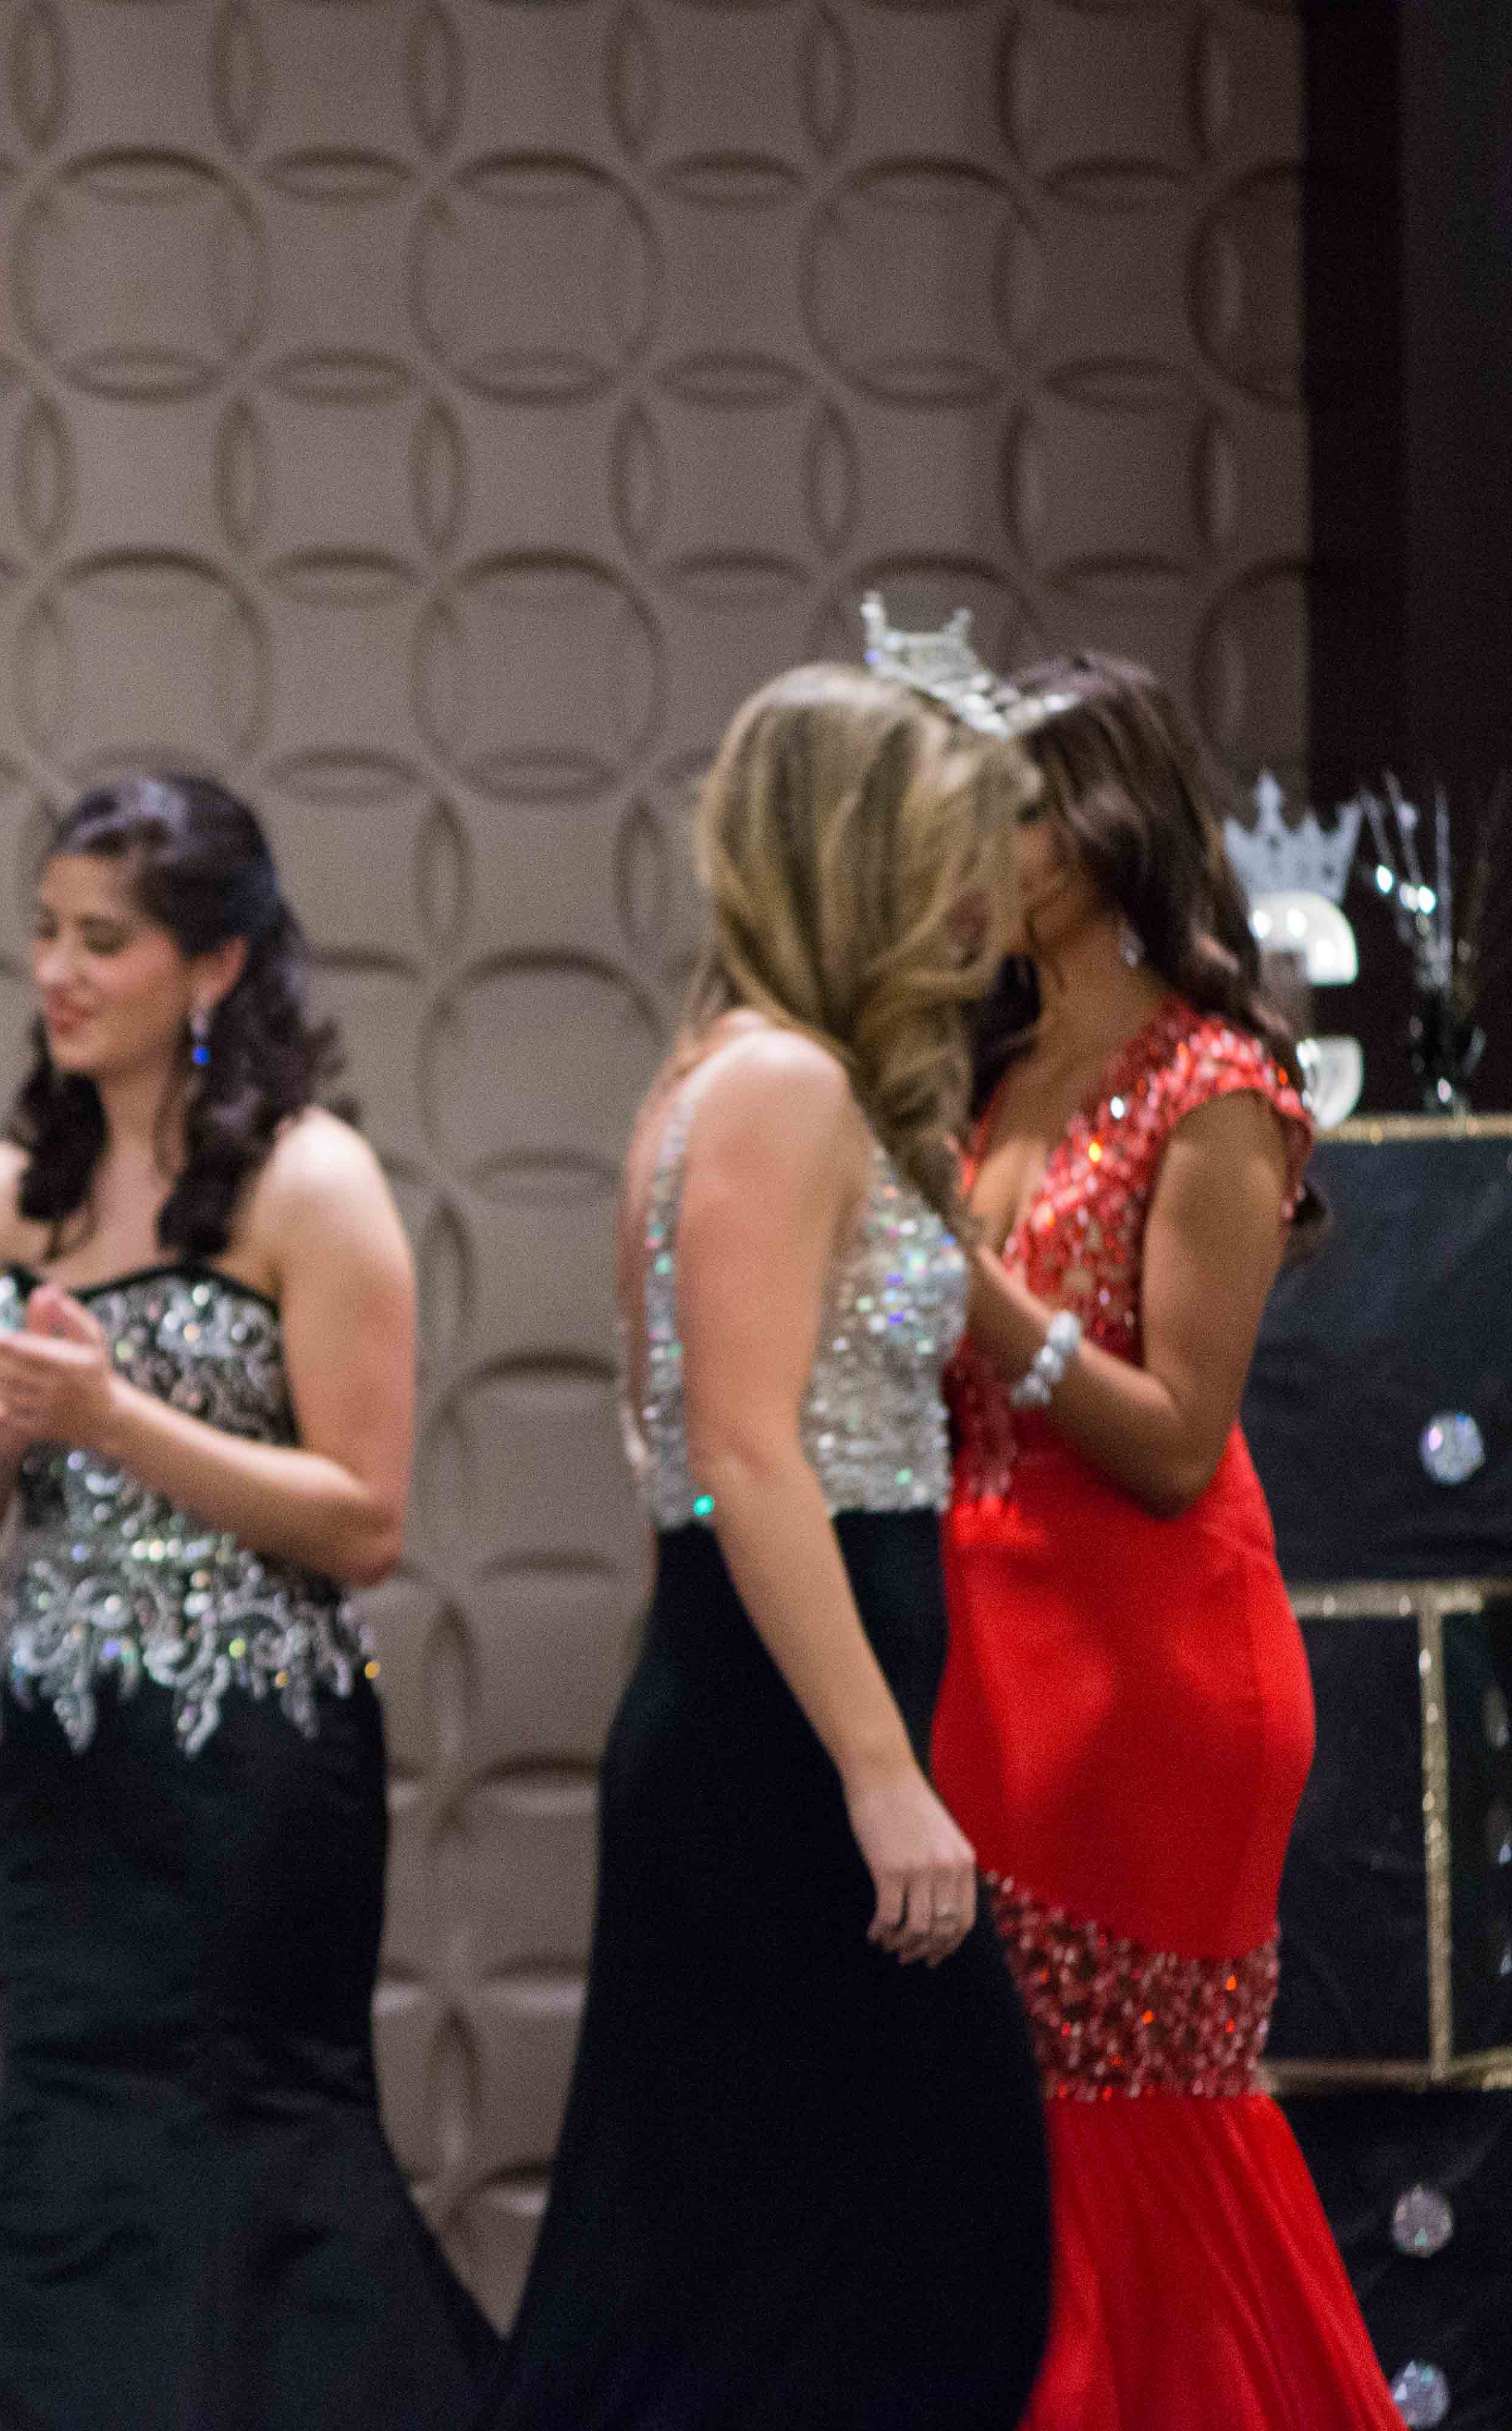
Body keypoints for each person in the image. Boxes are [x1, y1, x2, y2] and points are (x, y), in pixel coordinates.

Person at [476, 655, 1052, 2429]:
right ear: (864, 860)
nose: (995, 896)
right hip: (789, 1734)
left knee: (765, 2272)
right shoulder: (778, 1089)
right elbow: (739, 1451)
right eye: (962, 852)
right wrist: (881, 1772)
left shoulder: (764, 1077)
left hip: (763, 1716)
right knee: (895, 2258)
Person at [0, 774, 494, 2429]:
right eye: (45, 936)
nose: (59, 974)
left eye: (105, 941)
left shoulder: (313, 1184)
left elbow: (364, 1521)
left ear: (214, 967)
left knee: (258, 2131)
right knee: (68, 2128)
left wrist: (112, 1419)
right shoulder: (9, 1195)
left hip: (256, 1767)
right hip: (60, 1771)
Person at [930, 655, 1391, 2427]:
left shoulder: (1215, 1086)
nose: (976, 847)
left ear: (1105, 833)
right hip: (989, 1640)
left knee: (1132, 2124)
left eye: (1010, 811)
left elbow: (1181, 1441)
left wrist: (975, 1299)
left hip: (1146, 1672)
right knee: (1009, 2128)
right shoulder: (990, 1066)